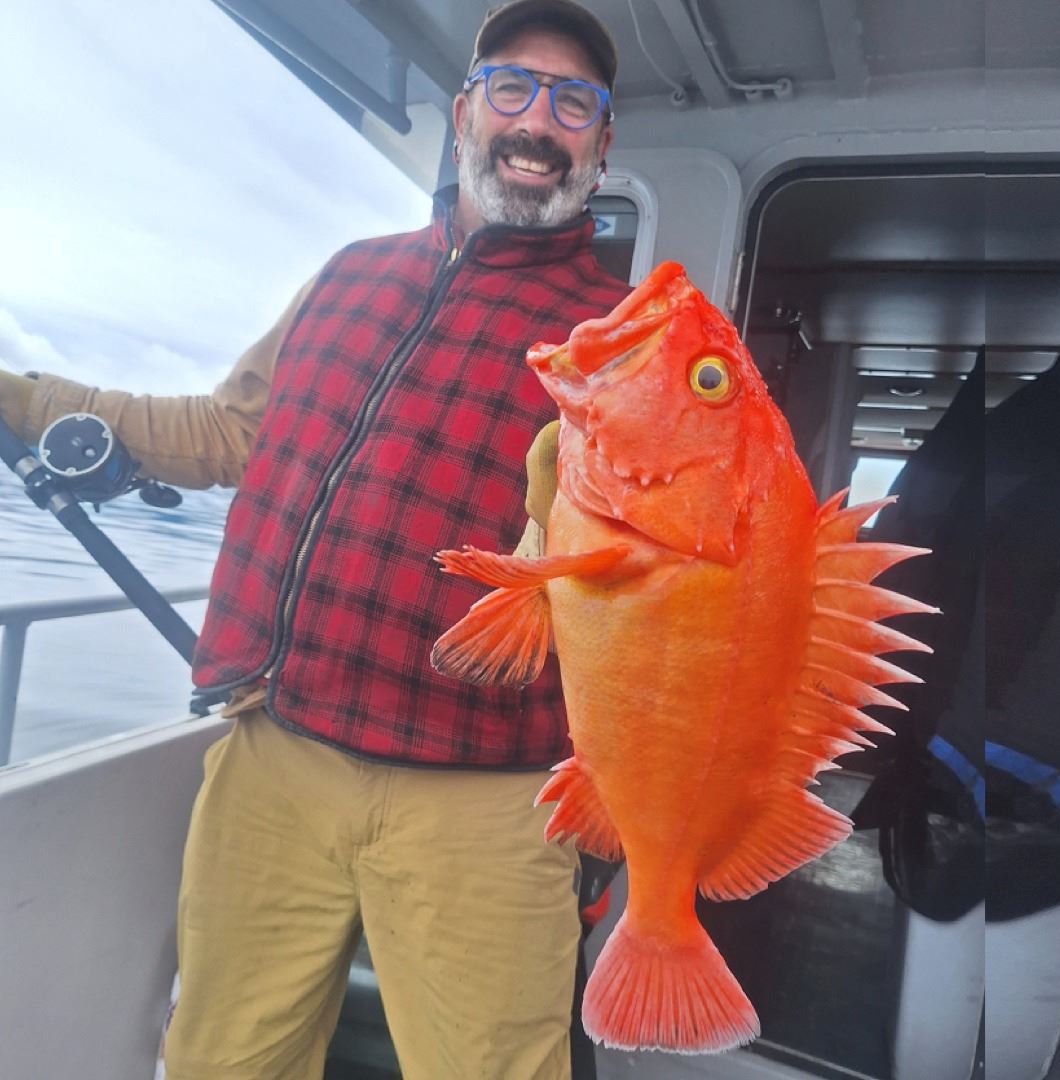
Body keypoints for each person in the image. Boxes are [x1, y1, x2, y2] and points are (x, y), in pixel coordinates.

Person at [0, 2, 630, 1076]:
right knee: (222, 1059)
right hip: (277, 757)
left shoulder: (621, 340)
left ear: (602, 143)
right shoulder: (347, 276)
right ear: (464, 113)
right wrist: (21, 401)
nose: (537, 123)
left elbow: (658, 578)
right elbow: (227, 430)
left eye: (574, 103)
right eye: (513, 89)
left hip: (490, 793)